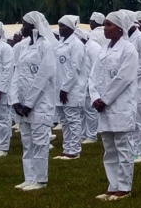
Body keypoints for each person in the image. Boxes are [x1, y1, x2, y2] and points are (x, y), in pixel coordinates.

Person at [89, 11, 139, 201]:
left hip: (120, 104)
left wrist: (105, 99)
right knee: (109, 148)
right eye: (105, 25)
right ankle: (112, 185)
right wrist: (94, 96)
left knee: (124, 147)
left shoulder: (128, 49)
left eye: (109, 25)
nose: (105, 28)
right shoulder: (104, 48)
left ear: (120, 28)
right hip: (103, 105)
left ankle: (124, 187)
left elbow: (123, 78)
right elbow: (92, 76)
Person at [11, 11, 57, 191]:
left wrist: (29, 103)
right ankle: (29, 177)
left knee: (39, 142)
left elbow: (43, 77)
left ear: (34, 26)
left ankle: (40, 179)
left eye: (25, 24)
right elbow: (16, 74)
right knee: (27, 141)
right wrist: (15, 100)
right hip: (22, 104)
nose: (22, 28)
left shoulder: (46, 47)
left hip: (39, 103)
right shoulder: (23, 47)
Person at [52, 15, 86, 161]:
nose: (60, 28)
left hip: (71, 88)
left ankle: (75, 150)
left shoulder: (76, 44)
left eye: (63, 26)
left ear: (71, 28)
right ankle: (67, 149)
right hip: (60, 88)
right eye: (59, 25)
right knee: (64, 121)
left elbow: (75, 68)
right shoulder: (61, 43)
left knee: (73, 120)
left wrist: (65, 88)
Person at [124, 11, 141, 163]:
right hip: (129, 87)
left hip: (140, 85)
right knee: (132, 120)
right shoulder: (126, 37)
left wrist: (130, 77)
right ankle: (133, 150)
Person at [76, 28, 101, 145]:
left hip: (92, 84)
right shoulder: (83, 47)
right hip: (82, 84)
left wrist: (92, 85)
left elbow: (97, 69)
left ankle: (92, 135)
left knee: (91, 111)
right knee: (83, 111)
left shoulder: (94, 48)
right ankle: (83, 134)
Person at [0, 21, 14, 157]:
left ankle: (2, 147)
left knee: (2, 118)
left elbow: (8, 70)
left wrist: (0, 89)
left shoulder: (5, 48)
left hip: (0, 90)